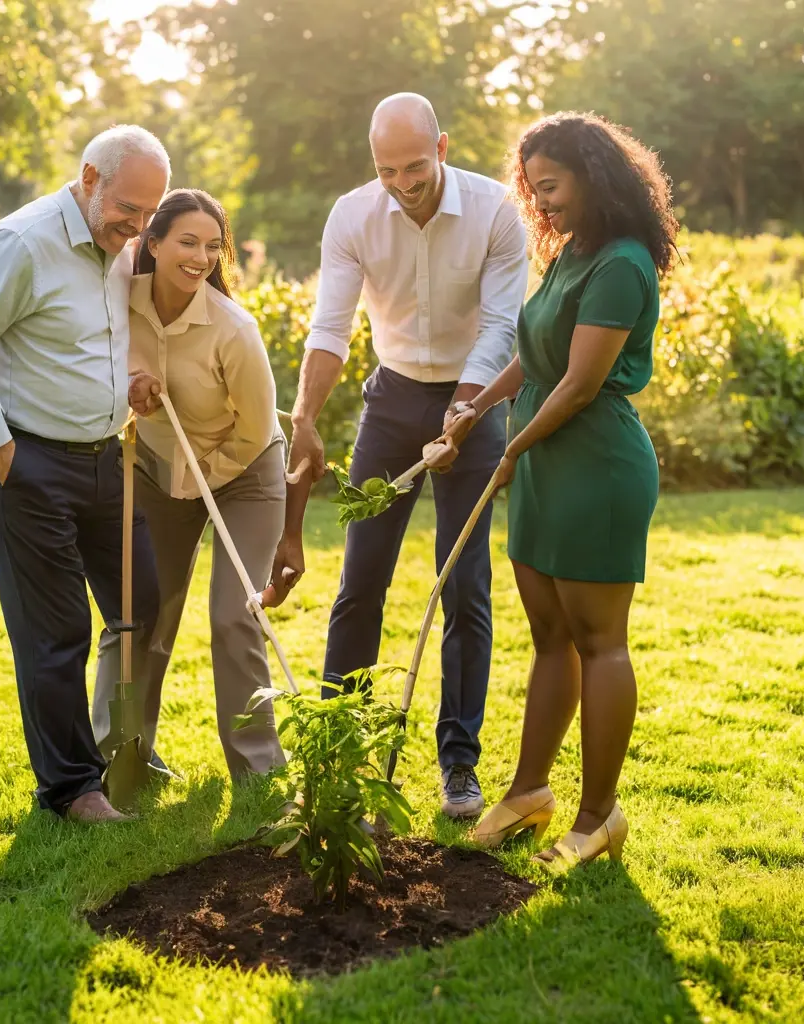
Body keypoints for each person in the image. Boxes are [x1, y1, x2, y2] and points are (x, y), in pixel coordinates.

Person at [434, 110, 678, 866]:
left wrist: (510, 453)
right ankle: (528, 792)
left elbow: (576, 387)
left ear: (593, 176)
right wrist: (475, 412)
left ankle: (598, 817)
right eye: (532, 191)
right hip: (543, 463)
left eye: (552, 186)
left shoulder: (623, 264)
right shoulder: (574, 253)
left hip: (595, 467)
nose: (541, 204)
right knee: (550, 640)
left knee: (601, 642)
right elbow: (538, 360)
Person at [287, 92, 529, 819]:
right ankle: (342, 751)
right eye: (387, 169)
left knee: (464, 586)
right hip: (391, 404)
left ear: (443, 148)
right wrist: (304, 414)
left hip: (477, 403)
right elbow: (330, 326)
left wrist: (464, 412)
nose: (402, 182)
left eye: (414, 166)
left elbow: (501, 326)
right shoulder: (353, 215)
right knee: (360, 582)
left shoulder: (495, 211)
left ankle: (459, 766)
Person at [0, 125, 171, 823]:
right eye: (129, 207)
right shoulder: (22, 243)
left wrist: (128, 382)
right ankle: (71, 788)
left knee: (141, 601)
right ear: (90, 179)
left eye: (150, 211)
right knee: (55, 631)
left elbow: (89, 339)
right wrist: (3, 451)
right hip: (28, 464)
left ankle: (119, 745)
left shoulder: (117, 244)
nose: (138, 225)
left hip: (104, 459)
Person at [93, 188, 296, 781]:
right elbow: (92, 366)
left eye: (213, 246)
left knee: (236, 614)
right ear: (151, 243)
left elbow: (257, 431)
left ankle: (258, 771)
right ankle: (119, 756)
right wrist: (127, 387)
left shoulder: (234, 329)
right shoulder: (116, 301)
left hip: (244, 473)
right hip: (155, 469)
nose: (201, 256)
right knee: (140, 612)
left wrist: (198, 479)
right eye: (187, 241)